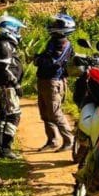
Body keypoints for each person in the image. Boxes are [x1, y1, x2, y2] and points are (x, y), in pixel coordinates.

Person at [34, 13, 76, 152]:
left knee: (55, 113)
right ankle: (52, 140)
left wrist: (38, 60)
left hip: (53, 81)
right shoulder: (53, 40)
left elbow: (51, 61)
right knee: (45, 113)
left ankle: (69, 140)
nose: (53, 26)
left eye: (57, 24)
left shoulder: (62, 43)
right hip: (45, 80)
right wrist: (39, 58)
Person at [0, 14, 26, 159]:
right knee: (13, 115)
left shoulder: (3, 44)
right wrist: (15, 84)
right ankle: (6, 148)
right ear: (10, 29)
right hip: (7, 86)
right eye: (17, 29)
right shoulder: (5, 45)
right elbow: (5, 68)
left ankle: (0, 146)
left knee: (4, 115)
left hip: (4, 85)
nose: (19, 32)